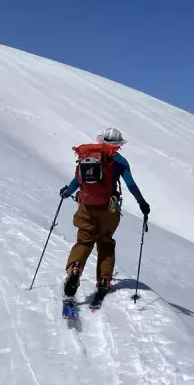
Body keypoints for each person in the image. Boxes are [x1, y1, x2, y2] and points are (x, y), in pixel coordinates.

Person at [59, 127, 150, 307]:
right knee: (106, 243)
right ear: (118, 144)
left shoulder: (87, 156)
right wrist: (142, 203)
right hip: (109, 209)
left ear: (101, 141)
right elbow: (131, 185)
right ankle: (103, 282)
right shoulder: (120, 161)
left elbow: (76, 181)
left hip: (86, 208)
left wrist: (66, 192)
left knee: (84, 242)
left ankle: (75, 268)